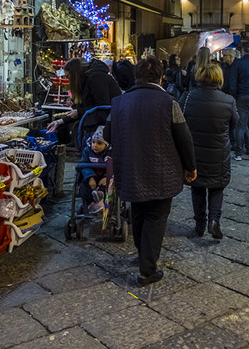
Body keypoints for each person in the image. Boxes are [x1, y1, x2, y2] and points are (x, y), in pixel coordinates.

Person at [104, 56, 196, 286]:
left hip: (130, 167)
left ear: (137, 76)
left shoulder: (119, 102)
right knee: (156, 216)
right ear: (160, 77)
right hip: (162, 171)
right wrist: (190, 167)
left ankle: (142, 255)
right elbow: (184, 138)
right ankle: (147, 269)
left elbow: (107, 134)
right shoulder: (168, 102)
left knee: (138, 211)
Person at [179, 62, 237, 239]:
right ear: (219, 79)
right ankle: (214, 221)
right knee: (217, 187)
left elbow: (179, 123)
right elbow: (234, 124)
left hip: (194, 151)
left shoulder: (187, 97)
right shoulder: (228, 100)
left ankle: (199, 225)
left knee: (197, 187)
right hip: (218, 152)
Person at [46, 58, 121, 141]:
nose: (68, 79)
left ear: (74, 74)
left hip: (105, 128)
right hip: (98, 126)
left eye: (68, 76)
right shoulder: (85, 81)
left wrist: (79, 112)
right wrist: (58, 122)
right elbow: (81, 109)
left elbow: (102, 107)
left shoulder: (95, 78)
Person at [78, 126, 111, 214]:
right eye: (93, 142)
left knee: (108, 186)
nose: (95, 145)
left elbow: (115, 167)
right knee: (83, 188)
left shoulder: (111, 153)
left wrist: (107, 177)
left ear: (106, 144)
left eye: (99, 143)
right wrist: (90, 177)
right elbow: (84, 164)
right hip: (91, 176)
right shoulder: (87, 151)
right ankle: (91, 204)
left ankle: (100, 196)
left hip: (106, 177)